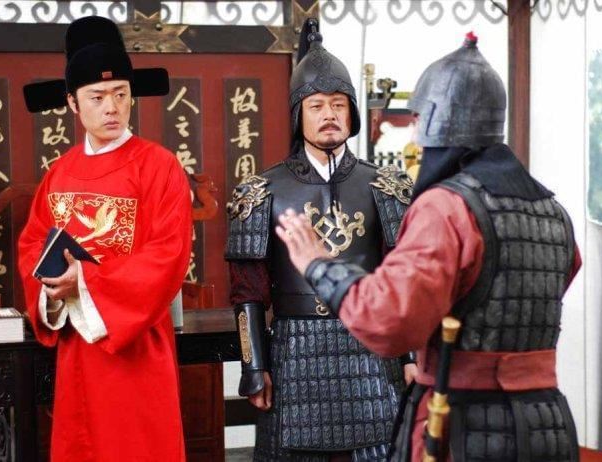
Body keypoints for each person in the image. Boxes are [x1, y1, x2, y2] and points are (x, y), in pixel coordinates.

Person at [276, 32, 581, 461]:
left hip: (465, 424)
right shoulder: (552, 210)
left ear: (437, 120)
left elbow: (391, 320)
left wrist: (318, 265)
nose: (416, 134)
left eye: (418, 121)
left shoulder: (447, 208)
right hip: (546, 423)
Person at [225, 18, 415, 461]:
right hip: (294, 351)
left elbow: (402, 283)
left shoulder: (387, 186)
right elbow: (247, 293)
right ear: (299, 115)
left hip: (371, 350)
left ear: (351, 113)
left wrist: (411, 357)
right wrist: (254, 365)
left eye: (337, 105)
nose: (329, 115)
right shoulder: (261, 191)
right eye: (316, 106)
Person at [18, 16, 191, 462]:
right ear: (73, 104)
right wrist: (52, 286)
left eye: (120, 94)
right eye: (97, 97)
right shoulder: (60, 173)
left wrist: (86, 282)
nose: (111, 107)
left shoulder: (159, 167)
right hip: (78, 349)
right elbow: (33, 243)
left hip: (137, 347)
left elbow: (168, 254)